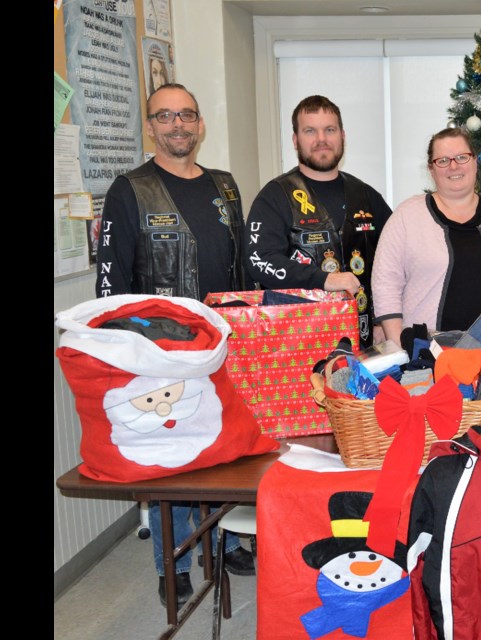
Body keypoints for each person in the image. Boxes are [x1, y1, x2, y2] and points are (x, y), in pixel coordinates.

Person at [95, 83, 256, 608]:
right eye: (164, 117)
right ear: (150, 127)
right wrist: (127, 354)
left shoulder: (225, 186)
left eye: (186, 115)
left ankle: (227, 538)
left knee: (225, 451)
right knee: (177, 462)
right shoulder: (130, 189)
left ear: (200, 123)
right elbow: (111, 282)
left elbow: (245, 268)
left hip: (226, 346)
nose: (177, 125)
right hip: (164, 352)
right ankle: (177, 563)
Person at [244, 95, 392, 349]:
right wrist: (322, 279)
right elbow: (259, 260)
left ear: (342, 135)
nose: (321, 139)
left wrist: (383, 319)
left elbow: (393, 262)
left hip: (365, 339)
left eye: (329, 130)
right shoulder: (275, 196)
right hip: (298, 342)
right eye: (310, 131)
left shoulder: (366, 196)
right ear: (295, 139)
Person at [372, 127, 481, 343]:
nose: (453, 166)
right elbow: (385, 283)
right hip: (426, 358)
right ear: (431, 169)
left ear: (475, 161)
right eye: (442, 160)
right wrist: (400, 346)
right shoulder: (406, 217)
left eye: (462, 157)